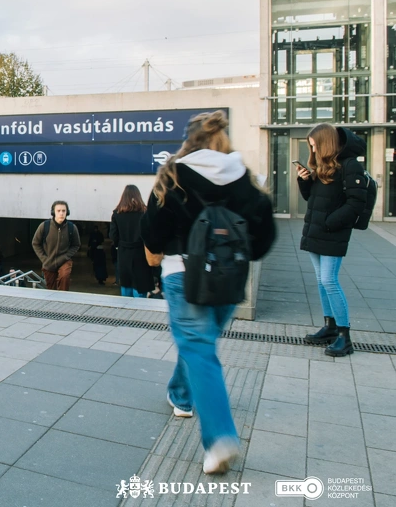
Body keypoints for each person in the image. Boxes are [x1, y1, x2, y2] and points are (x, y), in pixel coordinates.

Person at [141, 110, 275, 475]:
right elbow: (263, 241)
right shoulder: (245, 179)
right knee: (200, 343)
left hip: (183, 275)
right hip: (230, 279)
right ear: (222, 139)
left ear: (190, 140)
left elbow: (151, 233)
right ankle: (181, 395)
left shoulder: (174, 175)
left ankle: (219, 437)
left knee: (198, 347)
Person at [296, 122, 368, 357]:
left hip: (331, 232)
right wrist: (304, 180)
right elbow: (312, 199)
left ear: (325, 142)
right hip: (316, 232)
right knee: (320, 280)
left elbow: (356, 203)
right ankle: (329, 327)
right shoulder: (323, 167)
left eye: (315, 144)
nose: (313, 149)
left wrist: (330, 222)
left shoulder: (349, 166)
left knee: (329, 280)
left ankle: (344, 337)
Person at [109, 185, 152, 298]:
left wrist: (119, 245)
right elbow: (150, 235)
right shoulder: (145, 213)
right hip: (141, 254)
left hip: (124, 254)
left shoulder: (116, 214)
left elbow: (113, 236)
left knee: (126, 288)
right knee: (139, 288)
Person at [32, 201, 81, 291]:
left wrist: (66, 256)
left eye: (63, 211)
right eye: (58, 211)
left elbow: (76, 245)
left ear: (67, 212)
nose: (61, 213)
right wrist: (44, 259)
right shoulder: (44, 226)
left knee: (64, 276)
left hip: (64, 261)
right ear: (53, 212)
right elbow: (35, 243)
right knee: (51, 289)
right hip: (49, 262)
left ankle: (63, 300)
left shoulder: (72, 228)